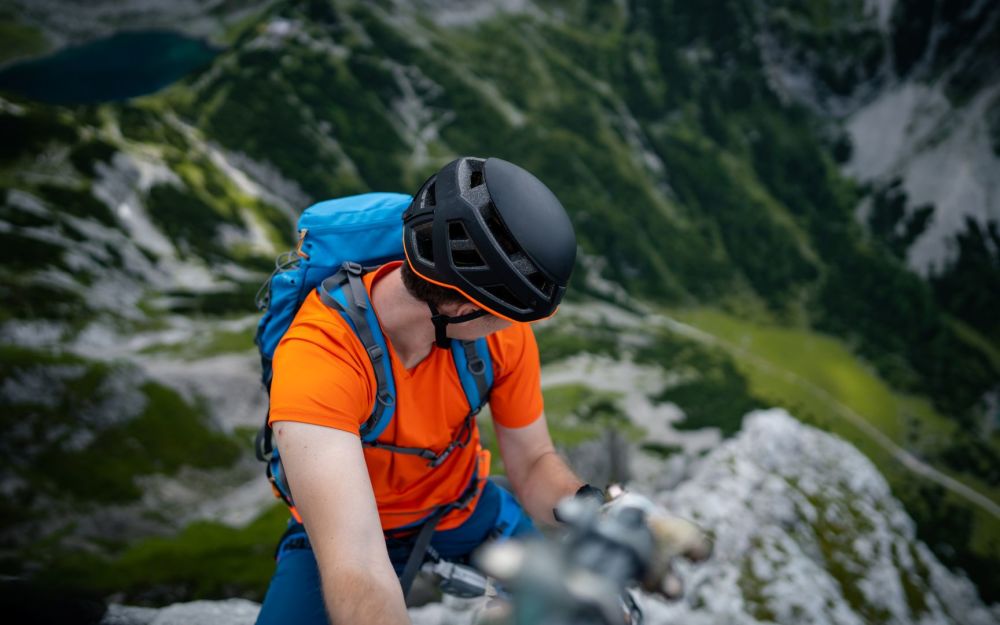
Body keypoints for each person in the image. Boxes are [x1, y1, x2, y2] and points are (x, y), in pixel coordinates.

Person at [254, 156, 597, 625]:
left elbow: (534, 464)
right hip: (350, 529)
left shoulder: (501, 337)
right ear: (460, 306)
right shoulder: (319, 357)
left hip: (465, 508)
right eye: (506, 316)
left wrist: (596, 513)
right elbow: (356, 565)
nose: (514, 329)